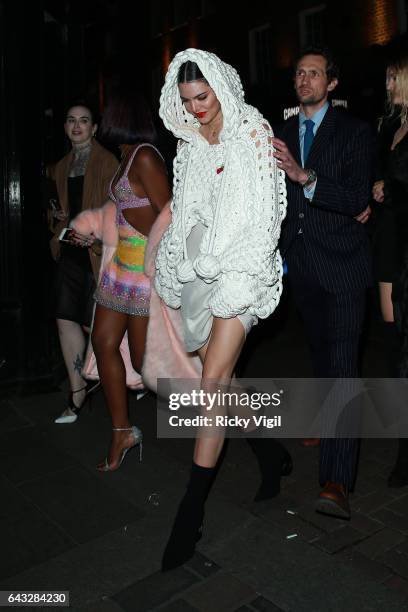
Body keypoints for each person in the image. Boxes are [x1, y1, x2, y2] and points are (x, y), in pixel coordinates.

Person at [154, 48, 289, 571]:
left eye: (203, 97)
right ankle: (269, 452)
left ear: (218, 87)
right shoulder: (187, 142)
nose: (196, 108)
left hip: (242, 269)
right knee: (226, 381)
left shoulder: (251, 130)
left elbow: (260, 215)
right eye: (187, 101)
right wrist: (175, 257)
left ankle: (191, 512)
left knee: (210, 385)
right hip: (200, 271)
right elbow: (186, 204)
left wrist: (234, 279)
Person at [273, 46, 373, 519]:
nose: (305, 79)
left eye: (314, 73)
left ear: (331, 83)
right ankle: (323, 421)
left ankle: (336, 479)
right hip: (302, 265)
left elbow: (355, 196)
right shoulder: (283, 131)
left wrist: (303, 175)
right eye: (299, 73)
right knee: (319, 356)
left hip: (345, 265)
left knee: (343, 366)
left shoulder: (354, 132)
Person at [87, 92, 171, 471]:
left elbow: (170, 216)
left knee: (144, 362)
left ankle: (214, 404)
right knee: (103, 342)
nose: (103, 120)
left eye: (108, 113)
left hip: (142, 274)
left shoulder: (146, 156)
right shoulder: (126, 154)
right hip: (118, 271)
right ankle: (121, 430)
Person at [49, 103, 119, 424]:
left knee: (99, 327)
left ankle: (123, 378)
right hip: (69, 253)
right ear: (65, 127)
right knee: (65, 318)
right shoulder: (59, 167)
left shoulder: (107, 162)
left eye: (84, 121)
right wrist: (58, 219)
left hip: (97, 252)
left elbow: (120, 208)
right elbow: (54, 212)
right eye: (71, 120)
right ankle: (77, 394)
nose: (77, 126)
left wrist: (98, 236)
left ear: (94, 127)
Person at [372, 50, 408, 487]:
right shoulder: (390, 127)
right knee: (393, 345)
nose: (387, 86)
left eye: (393, 78)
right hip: (387, 244)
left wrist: (393, 189)